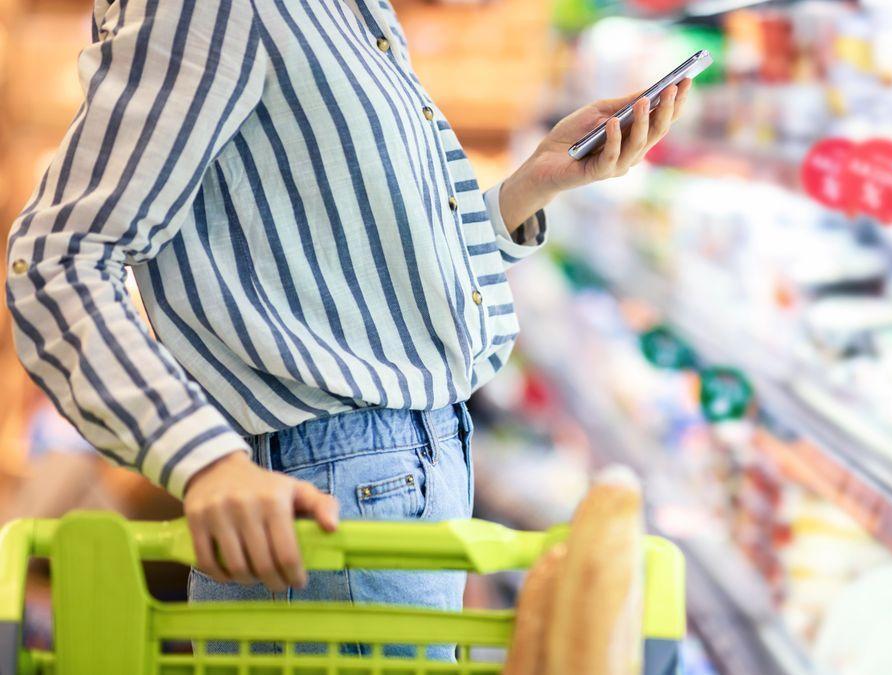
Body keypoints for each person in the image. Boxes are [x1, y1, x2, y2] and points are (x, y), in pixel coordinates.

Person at [5, 0, 689, 652]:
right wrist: (202, 459)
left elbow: (353, 270)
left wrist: (527, 191)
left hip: (398, 476)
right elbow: (57, 259)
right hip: (324, 491)